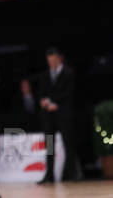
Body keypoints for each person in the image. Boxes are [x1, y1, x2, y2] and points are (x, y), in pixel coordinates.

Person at [37, 47, 82, 183]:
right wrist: (45, 103)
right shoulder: (45, 75)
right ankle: (49, 175)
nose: (51, 63)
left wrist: (52, 101)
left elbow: (68, 93)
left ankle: (72, 173)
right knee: (49, 145)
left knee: (68, 143)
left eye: (54, 60)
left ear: (59, 58)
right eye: (49, 61)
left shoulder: (68, 73)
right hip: (48, 115)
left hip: (63, 113)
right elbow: (41, 93)